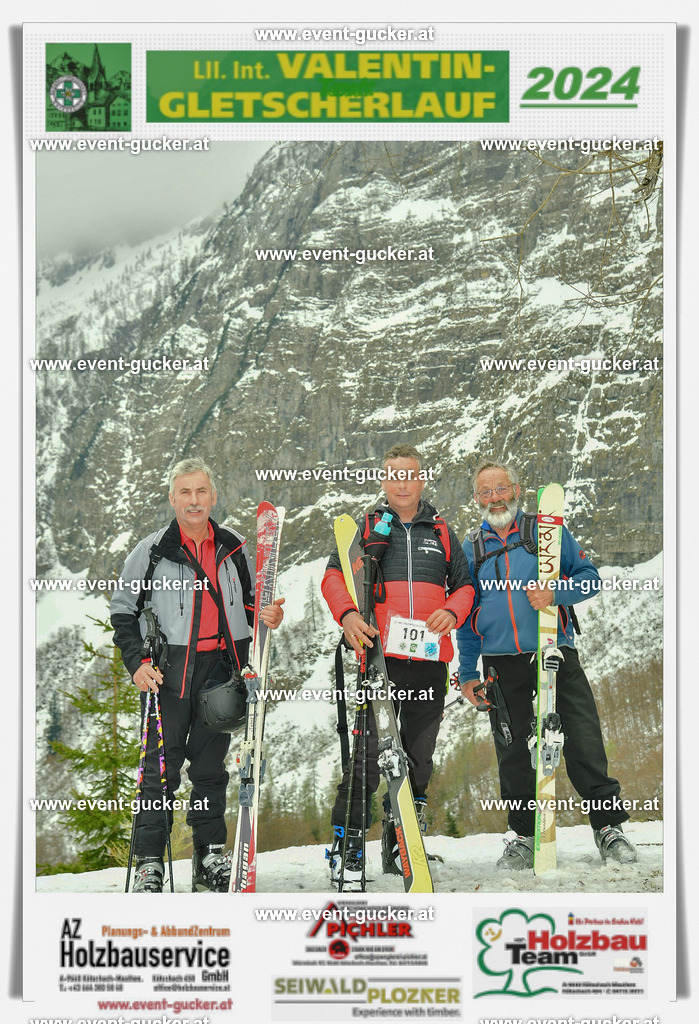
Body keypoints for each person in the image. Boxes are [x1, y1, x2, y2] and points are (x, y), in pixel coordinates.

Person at [111, 457, 284, 893]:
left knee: (210, 771)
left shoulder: (233, 547)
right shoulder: (152, 552)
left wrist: (269, 615)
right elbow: (123, 611)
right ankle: (150, 862)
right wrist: (137, 663)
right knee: (160, 772)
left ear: (213, 496)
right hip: (166, 674)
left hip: (220, 675)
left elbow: (252, 604)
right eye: (185, 492)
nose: (193, 500)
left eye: (201, 491)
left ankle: (208, 857)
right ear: (172, 498)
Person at [456, 459, 637, 869]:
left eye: (501, 488)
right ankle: (524, 835)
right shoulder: (471, 548)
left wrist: (556, 594)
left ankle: (608, 828)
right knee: (512, 751)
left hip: (554, 650)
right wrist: (468, 674)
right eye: (485, 492)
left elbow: (590, 578)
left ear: (516, 490)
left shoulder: (546, 531)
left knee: (582, 737)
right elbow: (465, 621)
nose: (494, 498)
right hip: (500, 662)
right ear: (476, 499)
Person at [321, 443, 475, 885]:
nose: (402, 483)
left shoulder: (441, 530)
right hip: (379, 659)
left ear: (421, 479)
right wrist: (348, 616)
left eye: (410, 474)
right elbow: (333, 576)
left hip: (428, 661)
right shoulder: (367, 527)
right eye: (394, 474)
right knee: (368, 757)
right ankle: (348, 846)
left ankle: (401, 840)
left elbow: (465, 586)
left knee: (419, 756)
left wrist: (453, 611)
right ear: (384, 479)